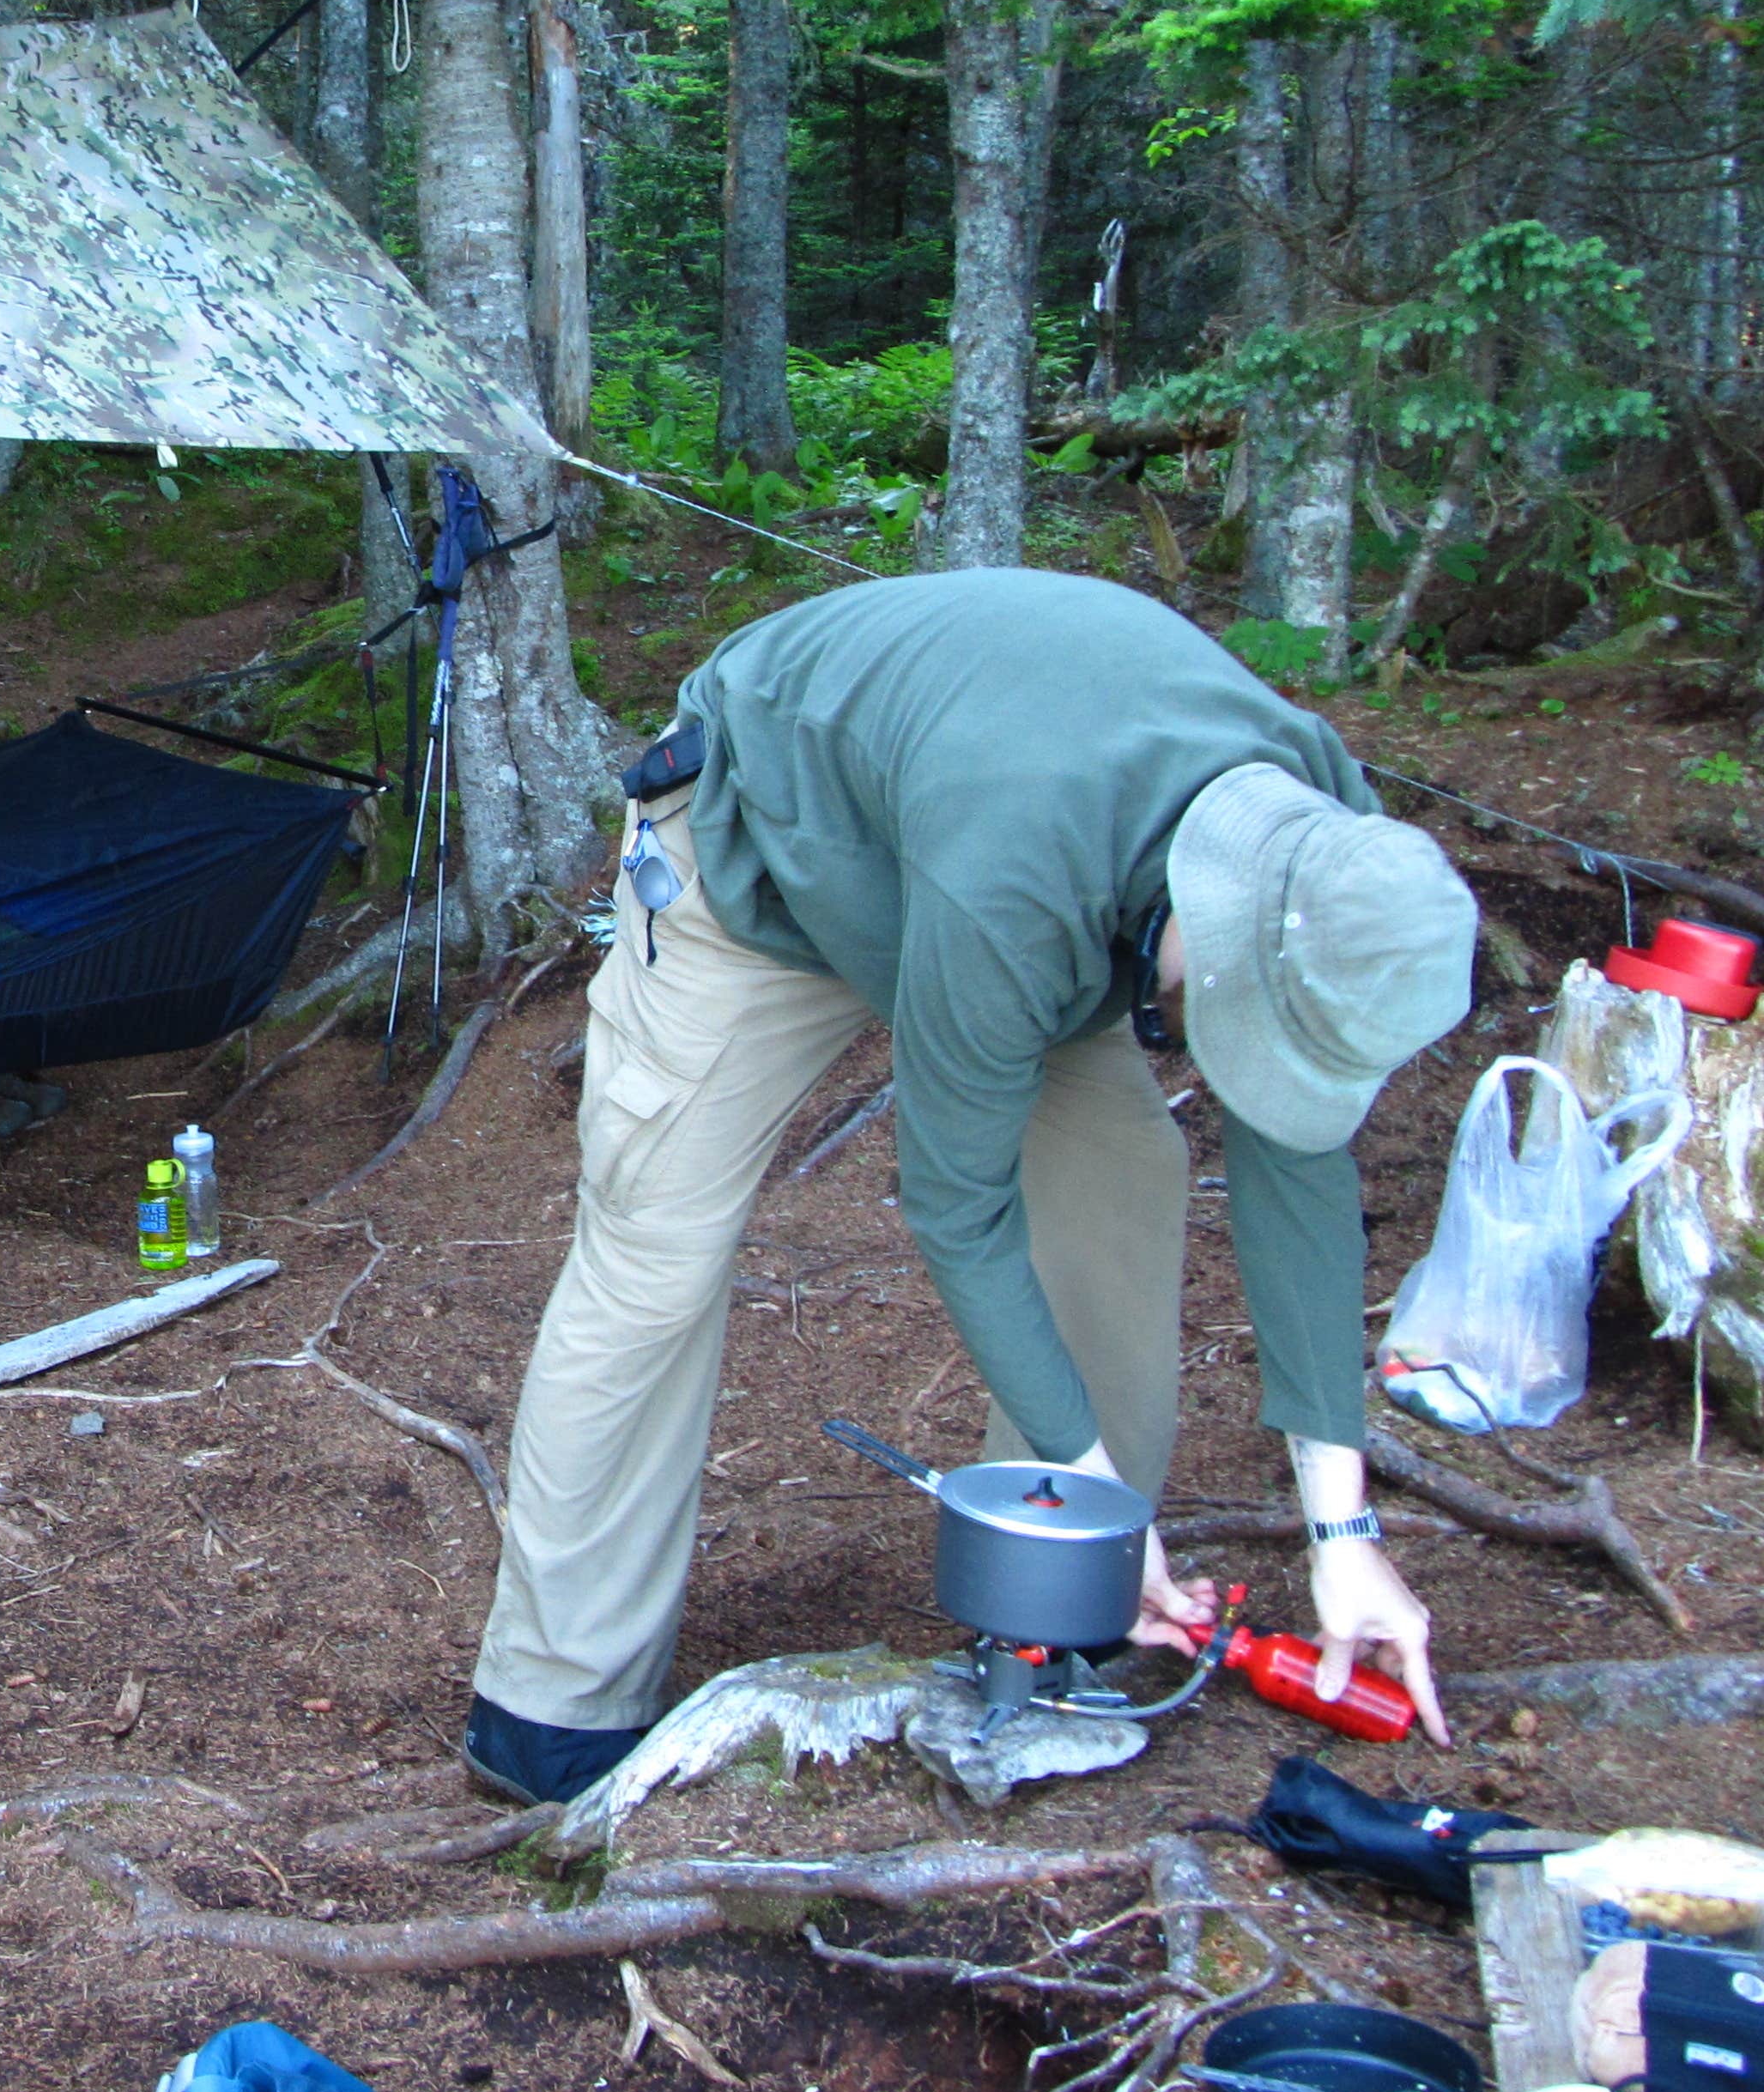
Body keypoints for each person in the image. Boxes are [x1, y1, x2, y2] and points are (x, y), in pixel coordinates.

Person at [461, 569, 1478, 1807]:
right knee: (655, 1260)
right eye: (1233, 1023)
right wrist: (1097, 1481)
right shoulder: (1019, 867)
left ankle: (1057, 1614)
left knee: (1121, 1184)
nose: (1233, 1055)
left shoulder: (1337, 853)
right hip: (764, 854)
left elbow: (1297, 1164)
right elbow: (955, 1200)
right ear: (1210, 933)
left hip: (1022, 884)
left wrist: (1346, 1536)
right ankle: (554, 1708)